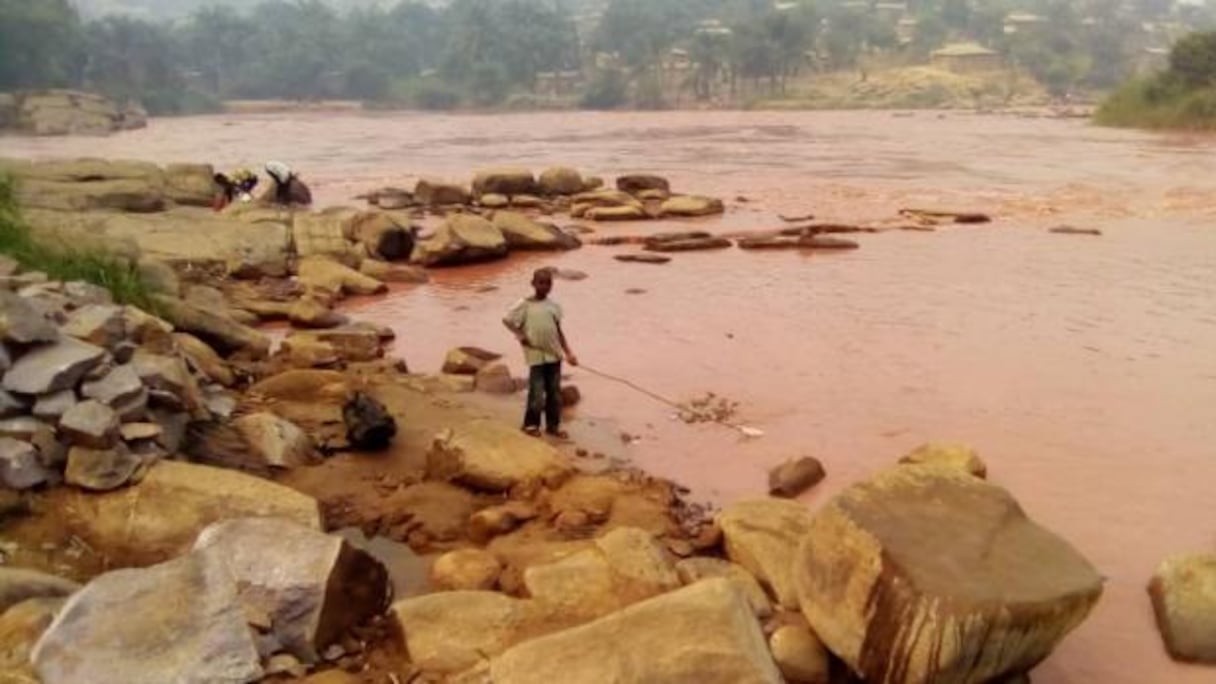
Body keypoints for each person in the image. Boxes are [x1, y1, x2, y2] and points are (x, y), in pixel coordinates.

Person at [503, 269, 579, 438]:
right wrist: (520, 335)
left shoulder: (554, 306)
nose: (545, 286)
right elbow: (507, 320)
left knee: (554, 393)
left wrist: (568, 352)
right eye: (541, 282)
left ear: (551, 286)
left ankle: (553, 427)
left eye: (548, 283)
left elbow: (559, 331)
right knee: (536, 392)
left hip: (554, 355)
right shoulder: (524, 304)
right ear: (533, 284)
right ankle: (530, 425)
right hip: (535, 356)